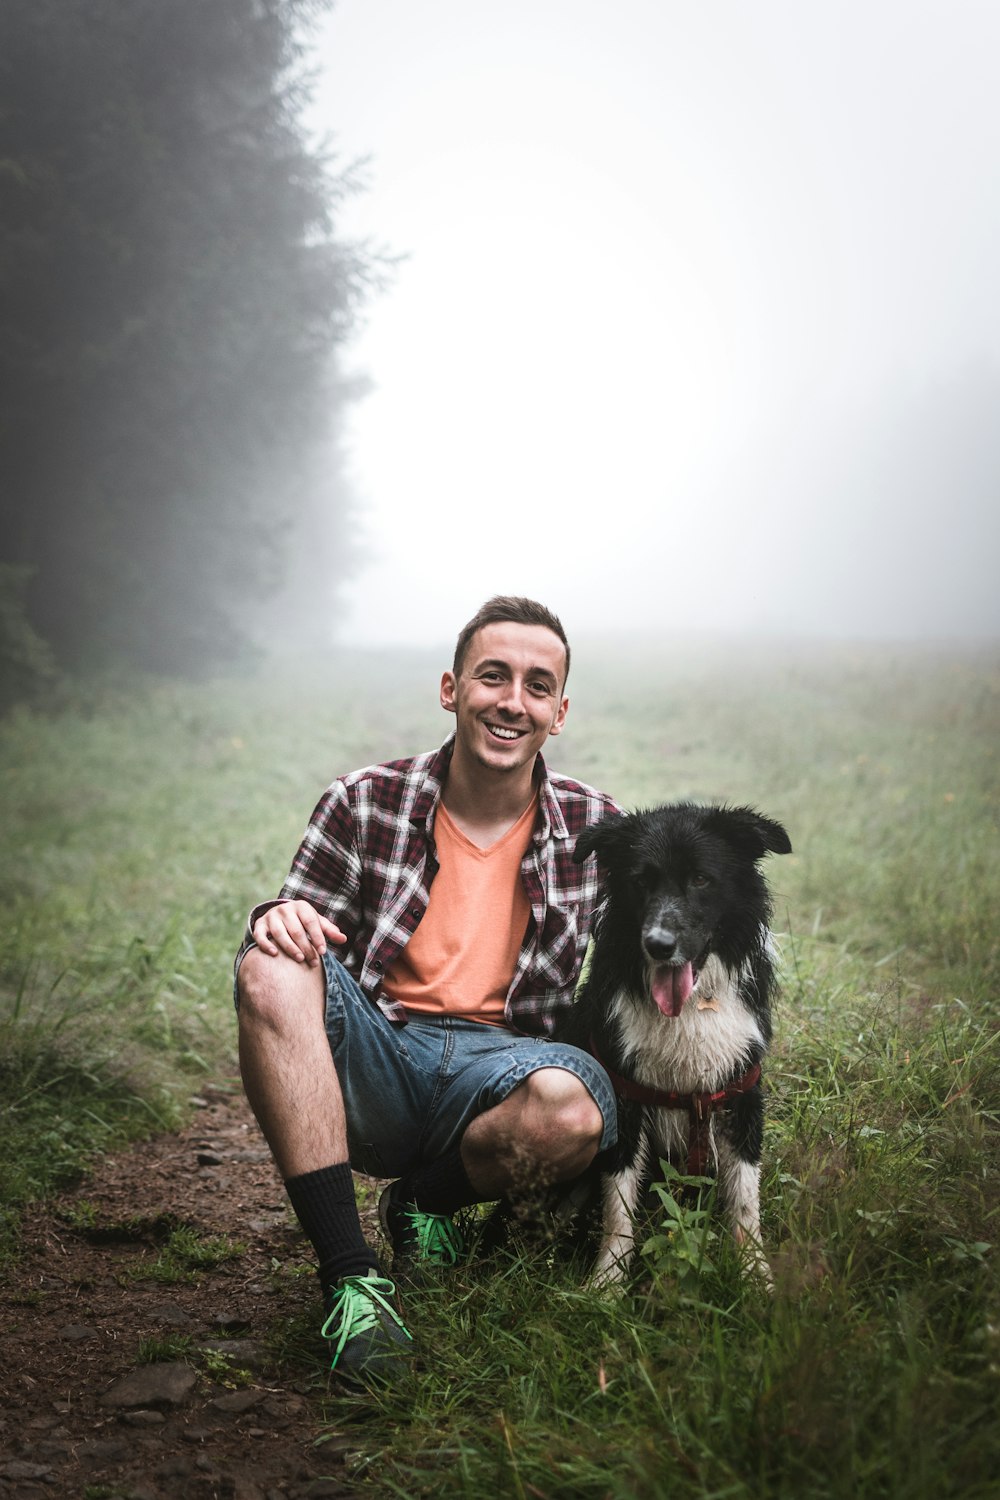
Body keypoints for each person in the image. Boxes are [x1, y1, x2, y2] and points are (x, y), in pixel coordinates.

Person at [234, 595, 618, 1381]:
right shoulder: (365, 799)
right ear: (452, 690)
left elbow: (645, 969)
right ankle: (351, 1278)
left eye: (537, 686)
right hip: (379, 1054)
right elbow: (302, 933)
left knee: (573, 1109)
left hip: (500, 1072)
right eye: (493, 677)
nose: (513, 701)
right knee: (267, 967)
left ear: (560, 711)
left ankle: (424, 1204)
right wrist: (281, 923)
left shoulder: (597, 827)